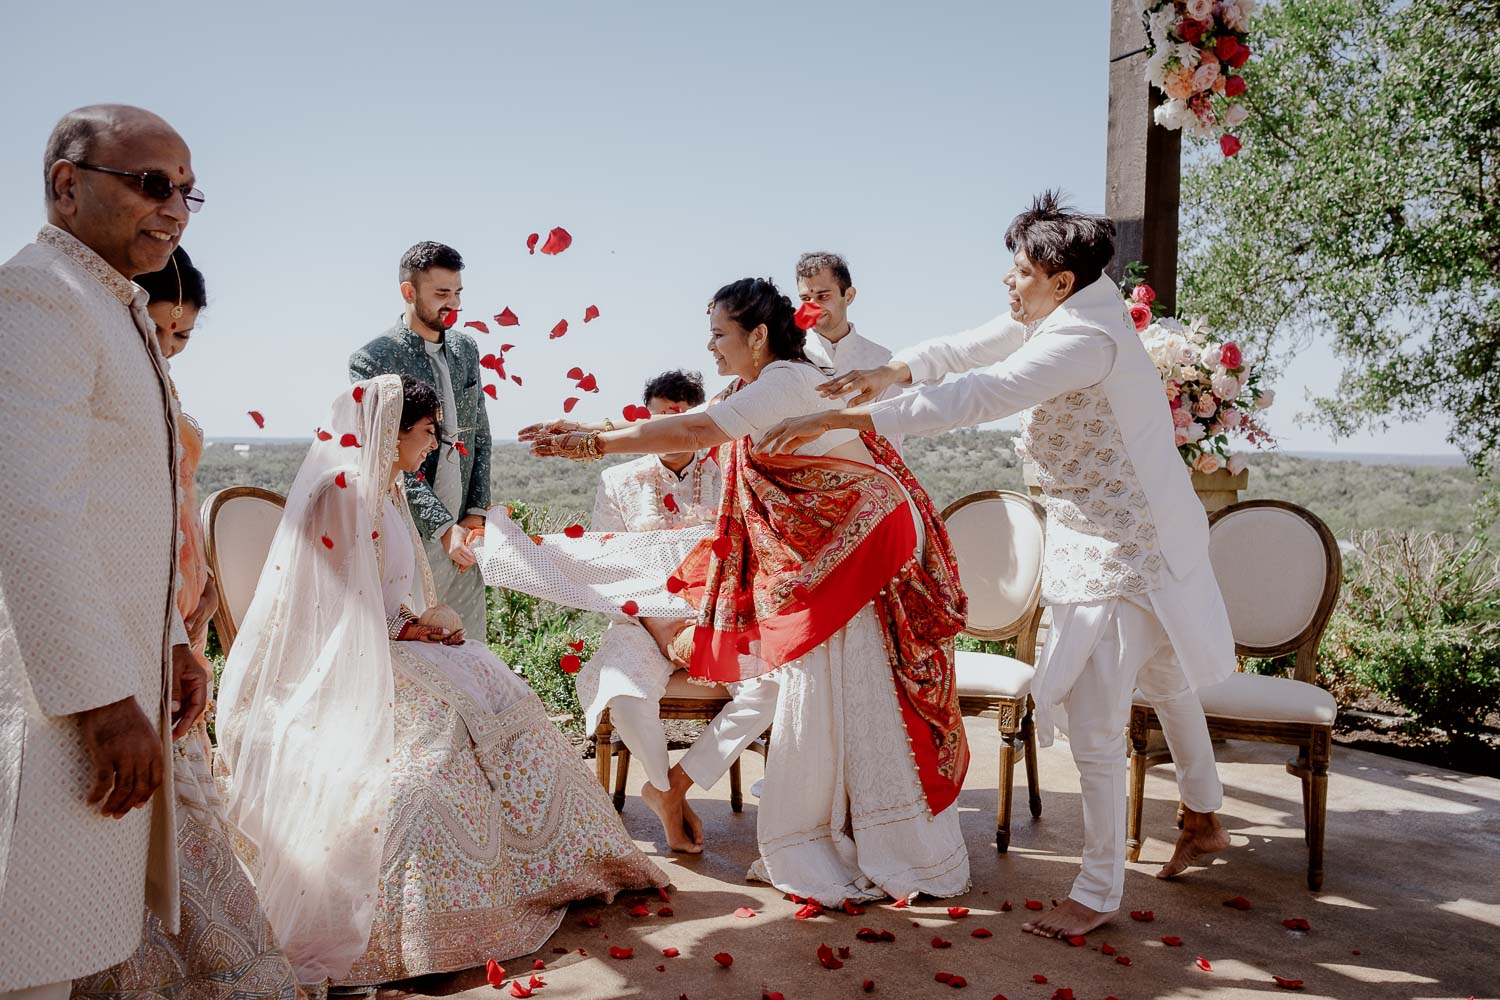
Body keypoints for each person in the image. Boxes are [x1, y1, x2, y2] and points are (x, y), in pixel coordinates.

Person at [760, 192, 1237, 936]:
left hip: (1124, 550)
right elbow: (970, 348)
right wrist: (891, 375)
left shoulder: (1084, 340)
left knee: (1095, 722)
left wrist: (839, 416)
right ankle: (1204, 816)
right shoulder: (1073, 303)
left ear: (1060, 282)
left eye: (1018, 272)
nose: (1007, 284)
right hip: (1131, 534)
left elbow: (980, 394)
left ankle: (1099, 893)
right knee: (1169, 680)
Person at [514, 278, 971, 905]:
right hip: (836, 550)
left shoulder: (785, 380)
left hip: (865, 545)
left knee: (850, 685)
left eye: (719, 334)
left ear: (758, 335)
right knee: (820, 688)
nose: (710, 347)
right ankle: (842, 826)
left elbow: (694, 432)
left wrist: (589, 443)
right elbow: (683, 423)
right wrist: (583, 425)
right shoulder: (752, 387)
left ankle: (880, 838)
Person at [215, 374, 666, 989]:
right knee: (441, 742)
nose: (432, 446)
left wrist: (422, 625)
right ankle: (433, 918)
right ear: (391, 431)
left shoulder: (389, 487)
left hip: (397, 645)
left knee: (501, 694)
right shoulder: (340, 491)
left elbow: (392, 593)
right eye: (427, 433)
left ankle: (561, 868)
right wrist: (409, 632)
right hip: (350, 661)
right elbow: (331, 609)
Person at [0, 105, 209, 1000]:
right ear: (65, 183)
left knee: (71, 937)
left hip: (124, 673)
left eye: (187, 191)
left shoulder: (110, 300)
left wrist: (168, 643)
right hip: (59, 699)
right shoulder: (38, 294)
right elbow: (32, 509)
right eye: (151, 184)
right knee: (26, 952)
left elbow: (130, 507)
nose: (173, 209)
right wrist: (100, 699)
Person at [71, 248, 298, 1000]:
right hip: (132, 614)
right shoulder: (103, 390)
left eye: (180, 338)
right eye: (159, 331)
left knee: (185, 777)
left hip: (176, 617)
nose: (165, 349)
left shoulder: (159, 391)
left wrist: (190, 609)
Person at [577, 369, 741, 853]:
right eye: (660, 417)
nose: (670, 429)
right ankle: (666, 796)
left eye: (681, 418)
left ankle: (675, 785)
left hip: (715, 617)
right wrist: (663, 629)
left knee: (772, 690)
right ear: (646, 418)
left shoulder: (727, 476)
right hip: (639, 620)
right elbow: (611, 564)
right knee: (625, 694)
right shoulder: (617, 479)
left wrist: (703, 620)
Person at [350, 242, 492, 638]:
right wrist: (444, 527)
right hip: (407, 528)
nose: (454, 304)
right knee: (423, 651)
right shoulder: (372, 360)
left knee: (471, 645)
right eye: (442, 294)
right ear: (409, 292)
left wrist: (475, 514)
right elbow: (386, 455)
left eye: (458, 292)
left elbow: (480, 431)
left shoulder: (466, 348)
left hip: (465, 531)